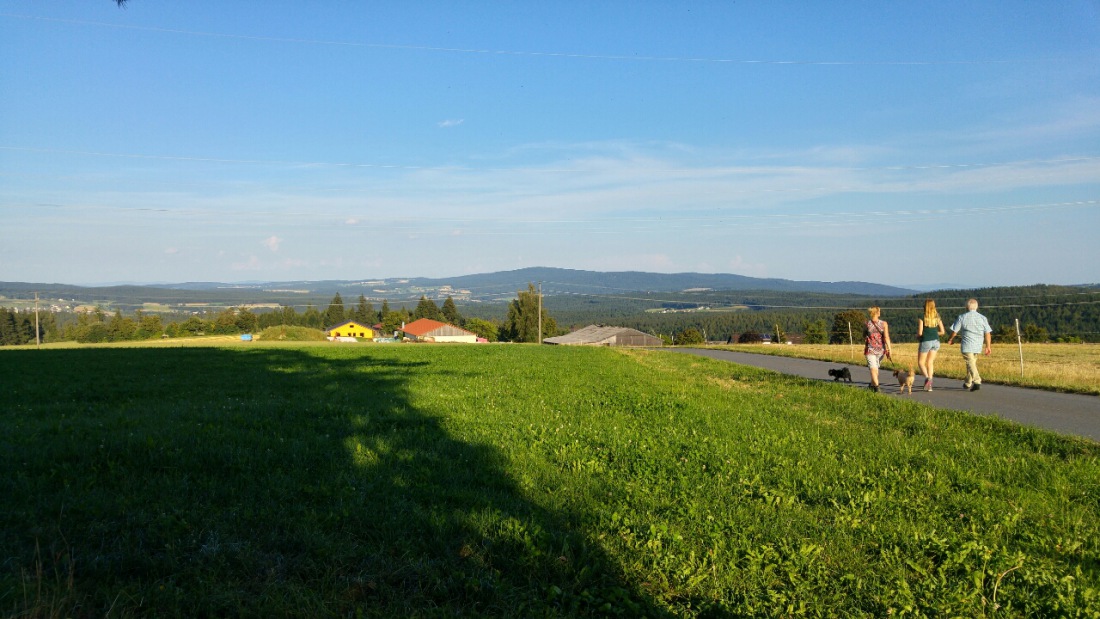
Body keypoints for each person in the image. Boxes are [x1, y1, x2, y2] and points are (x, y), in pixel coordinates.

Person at [946, 298, 993, 391]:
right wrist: (988, 346)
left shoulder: (962, 317)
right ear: (976, 307)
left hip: (967, 344)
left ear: (966, 307)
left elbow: (955, 331)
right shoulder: (983, 318)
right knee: (971, 363)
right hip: (978, 344)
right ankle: (968, 382)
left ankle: (977, 380)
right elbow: (987, 333)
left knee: (970, 362)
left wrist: (950, 339)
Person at [916, 299, 945, 391]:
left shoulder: (922, 317)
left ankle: (927, 378)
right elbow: (942, 332)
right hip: (936, 341)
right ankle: (930, 384)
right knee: (930, 362)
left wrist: (917, 336)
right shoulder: (937, 316)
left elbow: (920, 333)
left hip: (926, 341)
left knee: (921, 362)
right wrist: (934, 333)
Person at [863, 306, 892, 392]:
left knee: (873, 369)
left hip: (870, 349)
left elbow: (864, 336)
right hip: (881, 350)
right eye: (879, 311)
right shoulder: (884, 324)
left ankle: (876, 387)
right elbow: (886, 337)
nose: (880, 313)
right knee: (875, 369)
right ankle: (873, 386)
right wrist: (889, 349)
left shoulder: (866, 324)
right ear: (877, 313)